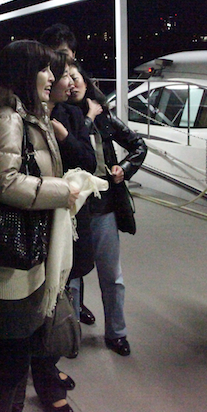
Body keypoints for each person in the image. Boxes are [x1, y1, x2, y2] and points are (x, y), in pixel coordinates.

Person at [0, 40, 79, 412]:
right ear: (24, 73)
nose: (52, 77)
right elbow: (2, 182)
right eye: (44, 69)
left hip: (26, 254)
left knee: (18, 360)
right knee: (12, 365)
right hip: (9, 261)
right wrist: (63, 191)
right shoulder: (7, 118)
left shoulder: (25, 115)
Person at [66, 61, 147, 357]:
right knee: (72, 278)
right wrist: (88, 117)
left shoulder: (105, 117)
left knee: (111, 275)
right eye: (66, 79)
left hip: (104, 207)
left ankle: (117, 332)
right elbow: (74, 149)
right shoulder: (62, 117)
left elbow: (138, 145)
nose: (72, 83)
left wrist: (124, 168)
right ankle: (70, 335)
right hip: (74, 209)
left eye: (76, 77)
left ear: (86, 81)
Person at [41, 24, 98, 328]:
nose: (70, 80)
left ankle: (68, 330)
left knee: (71, 272)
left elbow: (89, 161)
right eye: (60, 69)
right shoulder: (24, 117)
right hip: (41, 213)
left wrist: (65, 136)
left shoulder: (73, 113)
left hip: (71, 209)